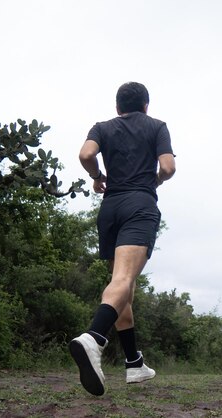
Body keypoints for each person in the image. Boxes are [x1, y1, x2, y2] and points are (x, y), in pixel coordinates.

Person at [69, 82, 176, 396]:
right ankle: (94, 338)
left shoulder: (102, 127)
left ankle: (134, 363)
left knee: (122, 284)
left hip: (110, 208)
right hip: (138, 205)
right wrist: (152, 181)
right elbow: (168, 167)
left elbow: (86, 154)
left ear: (118, 107)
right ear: (146, 106)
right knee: (125, 279)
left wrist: (97, 176)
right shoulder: (156, 126)